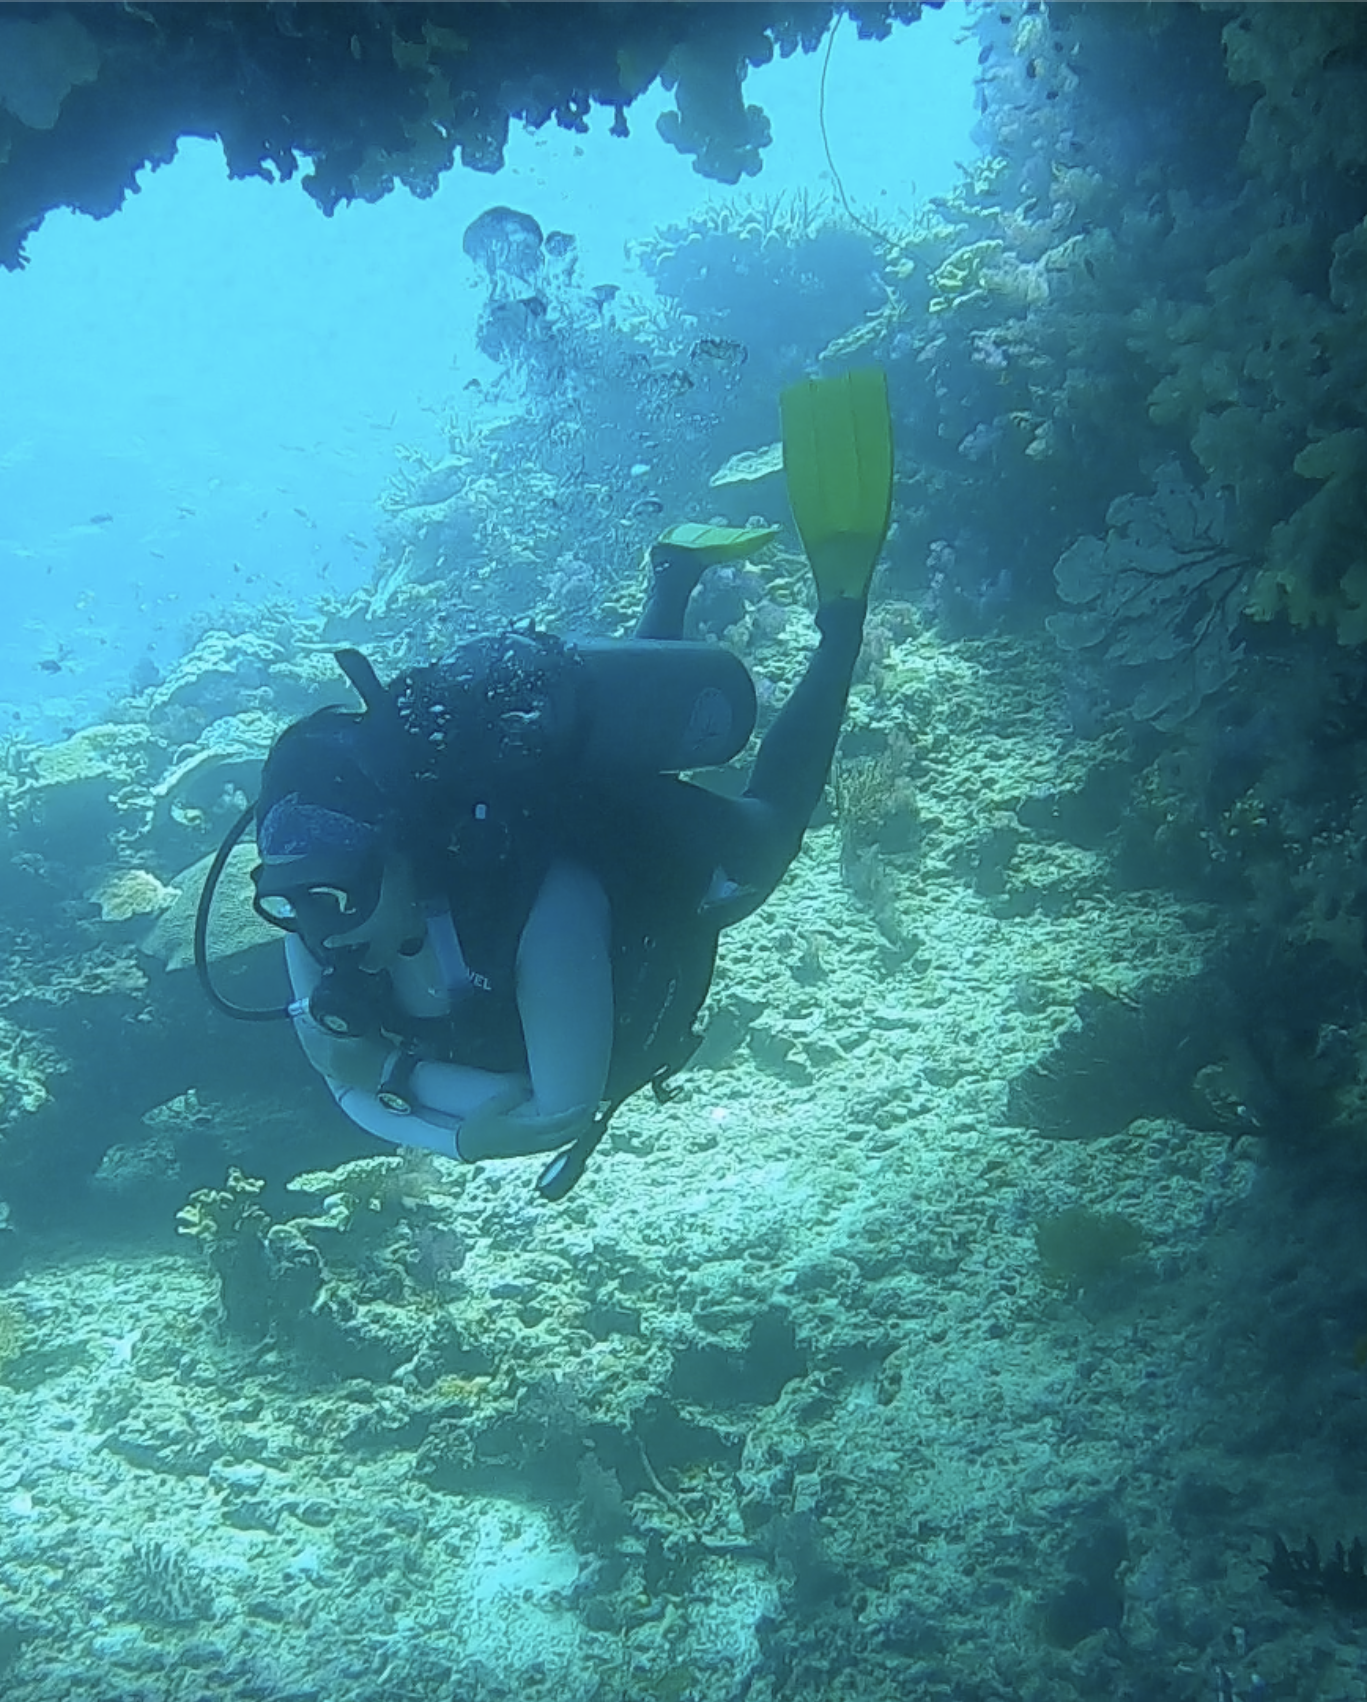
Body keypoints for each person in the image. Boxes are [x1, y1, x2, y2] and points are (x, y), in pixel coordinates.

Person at [197, 368, 894, 1198]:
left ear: (404, 854)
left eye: (339, 898)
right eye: (287, 903)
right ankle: (673, 572)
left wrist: (407, 1090)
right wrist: (420, 1105)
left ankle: (841, 616)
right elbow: (342, 1083)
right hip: (556, 814)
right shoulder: (319, 905)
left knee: (767, 837)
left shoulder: (540, 908)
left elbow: (554, 1107)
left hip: (622, 845)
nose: (321, 931)